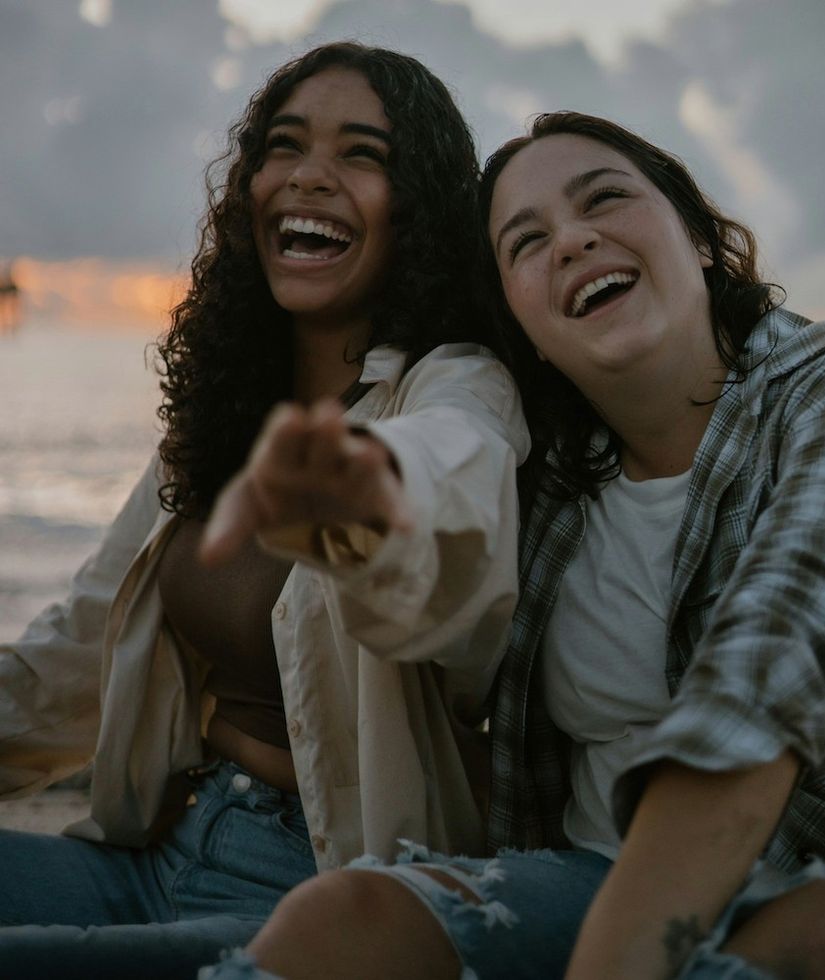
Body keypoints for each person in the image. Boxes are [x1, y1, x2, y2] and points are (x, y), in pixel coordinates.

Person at [201, 112, 825, 980]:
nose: (571, 241)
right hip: (590, 877)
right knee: (343, 919)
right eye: (525, 242)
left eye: (603, 199)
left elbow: (771, 676)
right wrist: (364, 506)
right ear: (525, 326)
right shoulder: (550, 484)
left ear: (698, 237)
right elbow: (440, 576)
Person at [0, 43, 527, 979]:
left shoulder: (454, 389)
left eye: (362, 154)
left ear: (419, 209)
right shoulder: (218, 414)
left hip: (323, 892)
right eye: (285, 146)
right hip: (165, 844)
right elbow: (78, 648)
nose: (309, 176)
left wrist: (364, 490)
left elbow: (458, 502)